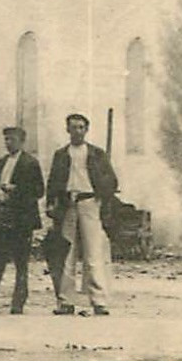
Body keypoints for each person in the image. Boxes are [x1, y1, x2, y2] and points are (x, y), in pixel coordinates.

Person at [47, 113, 119, 317]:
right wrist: (52, 203)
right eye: (73, 127)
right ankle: (66, 302)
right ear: (67, 130)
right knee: (67, 254)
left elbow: (112, 181)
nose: (77, 131)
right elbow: (52, 182)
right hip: (68, 204)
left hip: (90, 203)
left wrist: (100, 195)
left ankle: (99, 301)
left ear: (86, 130)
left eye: (81, 127)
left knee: (93, 253)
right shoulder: (61, 155)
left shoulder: (97, 154)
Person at [0, 126, 45, 314]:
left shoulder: (31, 163)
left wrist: (16, 190)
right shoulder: (1, 162)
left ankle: (17, 305)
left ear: (22, 141)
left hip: (21, 219)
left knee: (21, 264)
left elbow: (38, 191)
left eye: (11, 139)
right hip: (2, 216)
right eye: (6, 139)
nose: (8, 143)